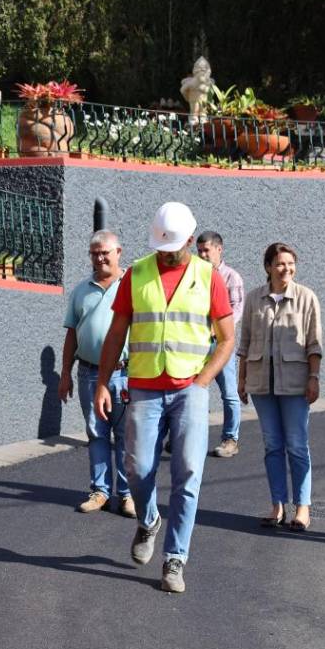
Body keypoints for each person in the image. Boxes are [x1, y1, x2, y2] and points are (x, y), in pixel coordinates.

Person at [94, 202, 236, 593]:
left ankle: (175, 559)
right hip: (144, 386)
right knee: (138, 470)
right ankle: (149, 520)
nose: (167, 252)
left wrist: (204, 380)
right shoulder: (137, 273)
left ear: (191, 240)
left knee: (188, 473)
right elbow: (116, 333)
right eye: (162, 245)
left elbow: (226, 339)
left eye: (174, 245)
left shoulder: (208, 277)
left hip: (189, 388)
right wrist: (102, 382)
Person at [236, 243, 323, 532]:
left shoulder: (306, 298)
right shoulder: (254, 299)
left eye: (291, 263)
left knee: (297, 445)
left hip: (296, 385)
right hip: (262, 385)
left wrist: (314, 377)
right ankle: (277, 507)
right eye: (280, 264)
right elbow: (245, 343)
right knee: (272, 445)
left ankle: (302, 508)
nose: (286, 269)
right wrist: (242, 379)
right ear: (268, 267)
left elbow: (314, 343)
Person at [58, 230, 133, 517]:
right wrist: (65, 372)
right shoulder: (81, 290)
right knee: (96, 433)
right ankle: (100, 491)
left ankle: (126, 495)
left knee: (126, 436)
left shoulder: (131, 286)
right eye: (94, 253)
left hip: (124, 375)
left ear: (118, 253)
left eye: (105, 252)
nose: (100, 258)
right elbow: (71, 335)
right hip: (89, 374)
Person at [196, 231, 245, 458]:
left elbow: (236, 312)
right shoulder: (195, 276)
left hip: (221, 344)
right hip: (198, 345)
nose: (203, 255)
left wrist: (217, 330)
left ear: (219, 249)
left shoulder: (231, 277)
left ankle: (230, 439)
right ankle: (191, 436)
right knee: (194, 390)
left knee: (229, 393)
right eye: (199, 251)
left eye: (207, 250)